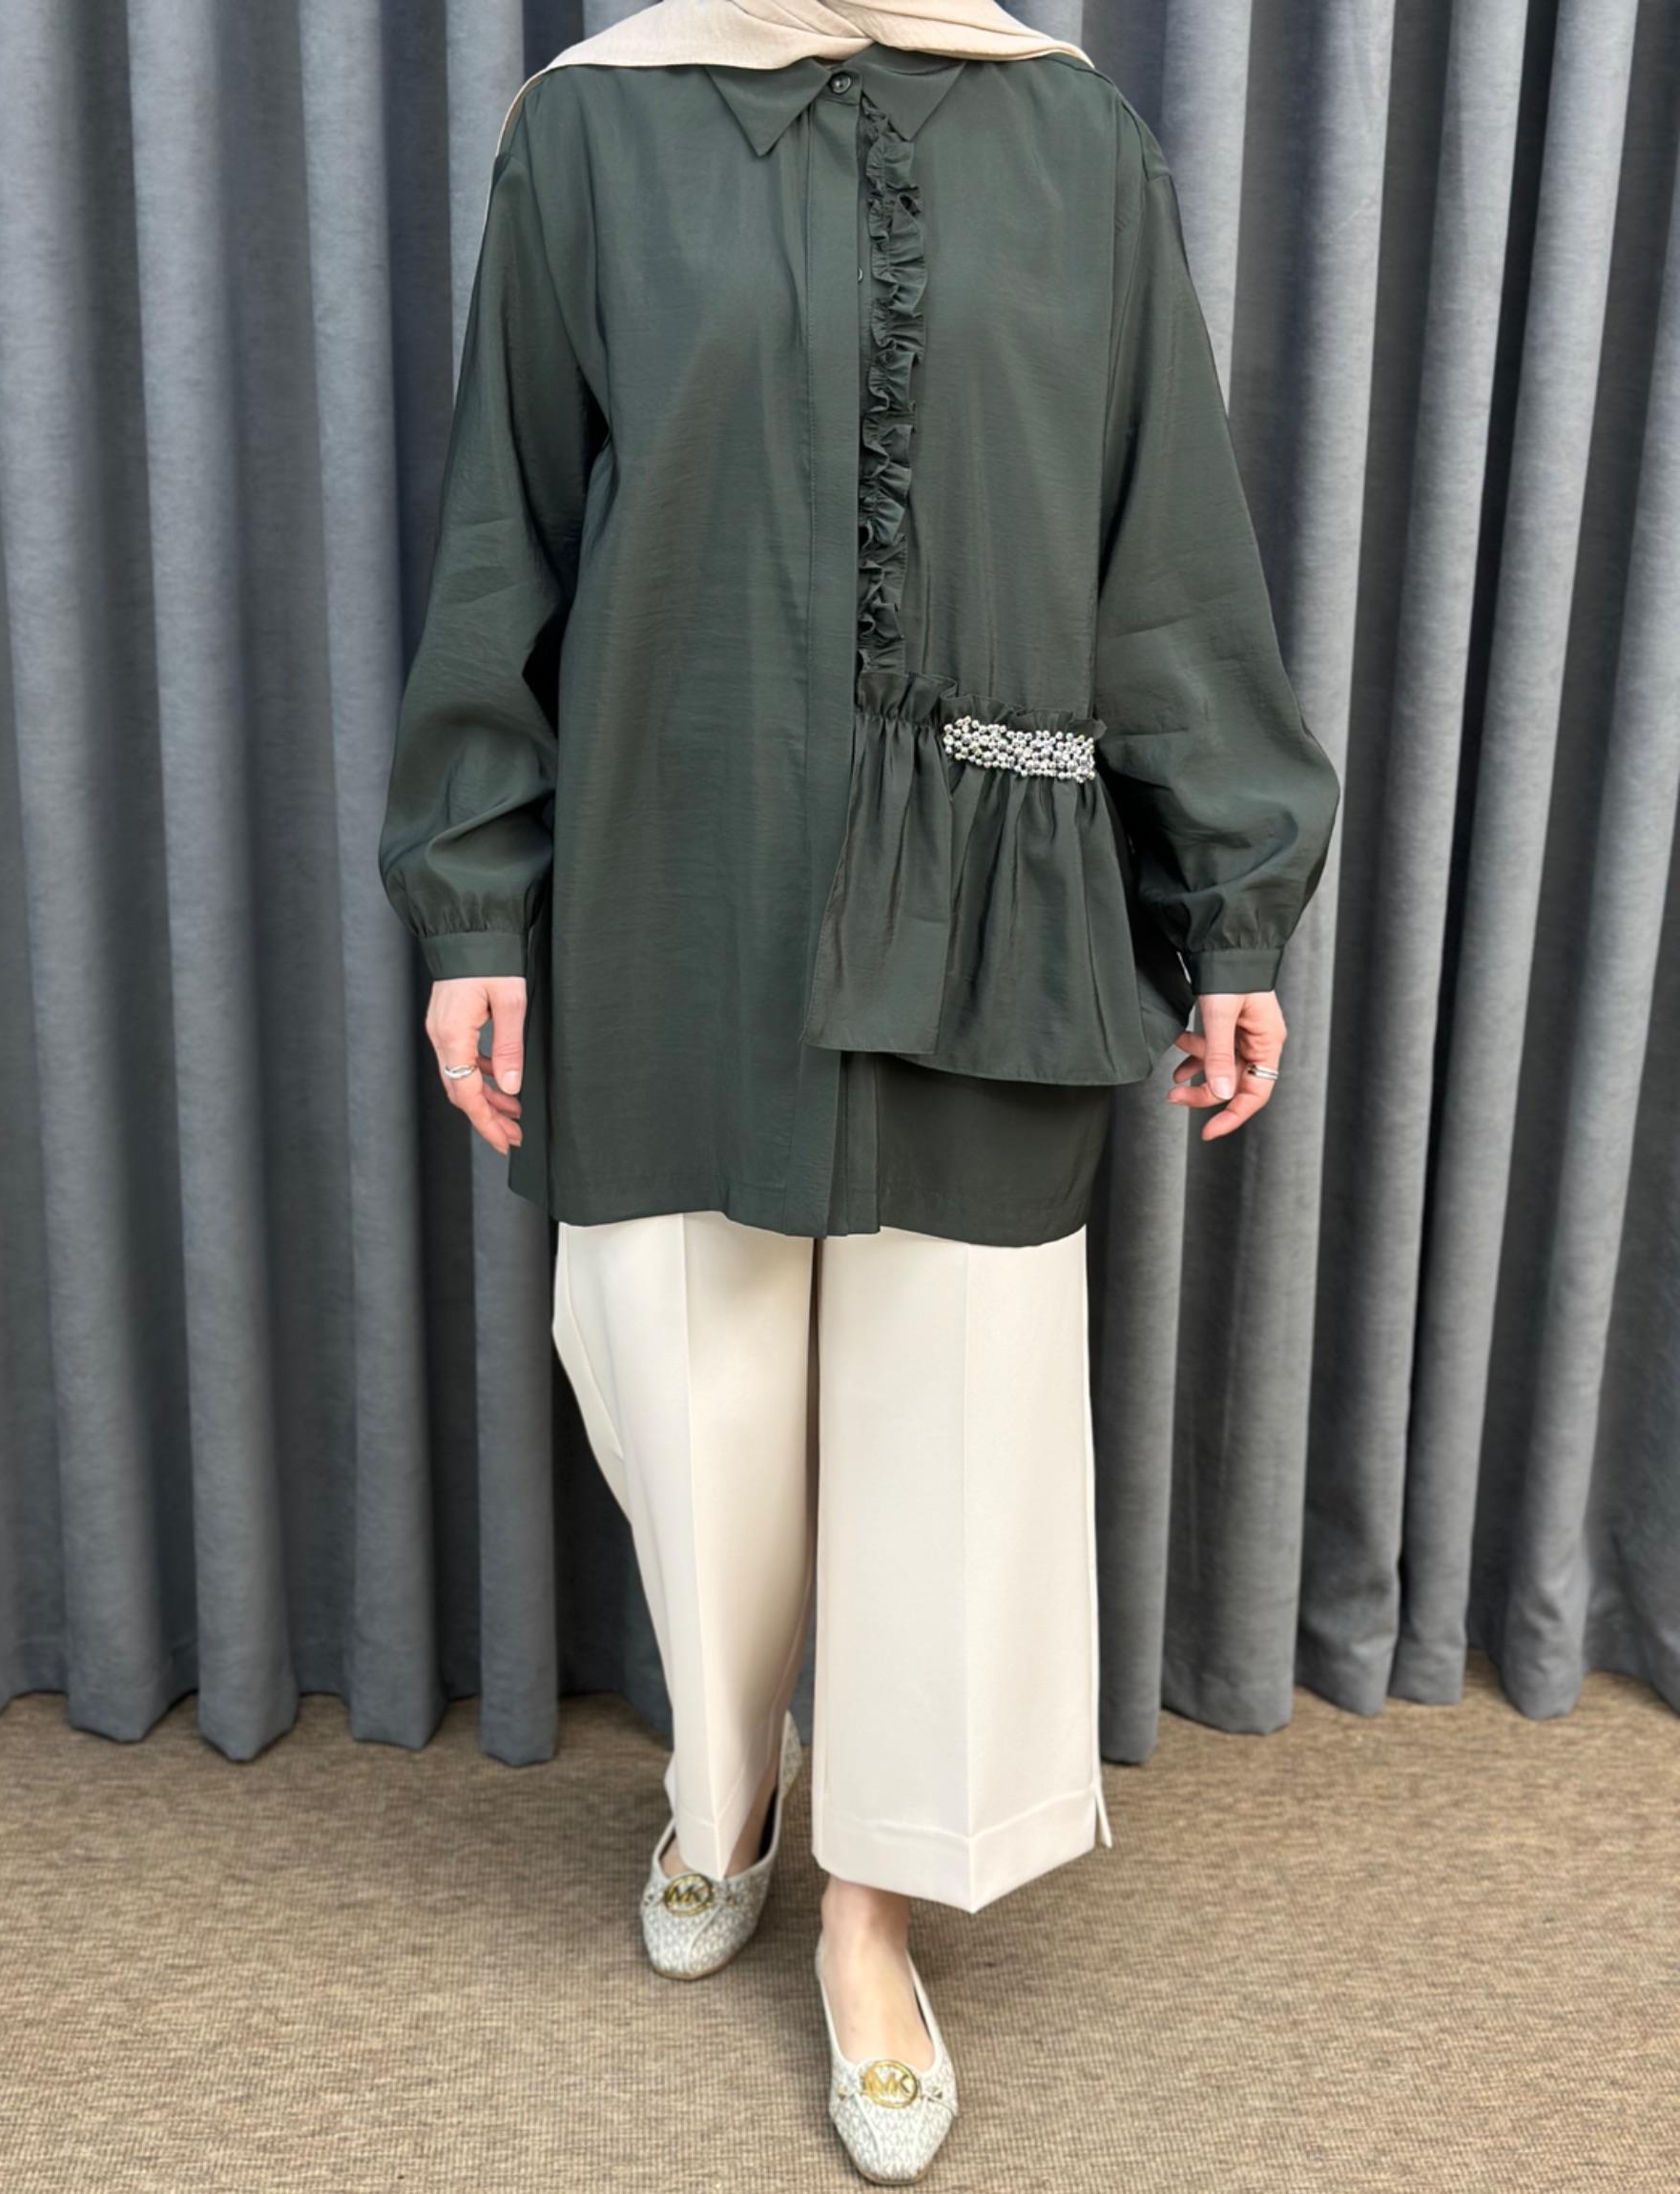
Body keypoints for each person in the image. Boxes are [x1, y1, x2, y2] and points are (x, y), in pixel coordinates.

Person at [378, 0, 1341, 2179]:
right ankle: (722, 1794)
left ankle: (873, 1914)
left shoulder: (1078, 145)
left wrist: (1233, 909)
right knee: (683, 1392)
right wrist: (472, 907)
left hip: (991, 881)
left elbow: (1165, 552)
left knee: (956, 1417)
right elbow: (503, 544)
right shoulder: (589, 134)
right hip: (676, 875)